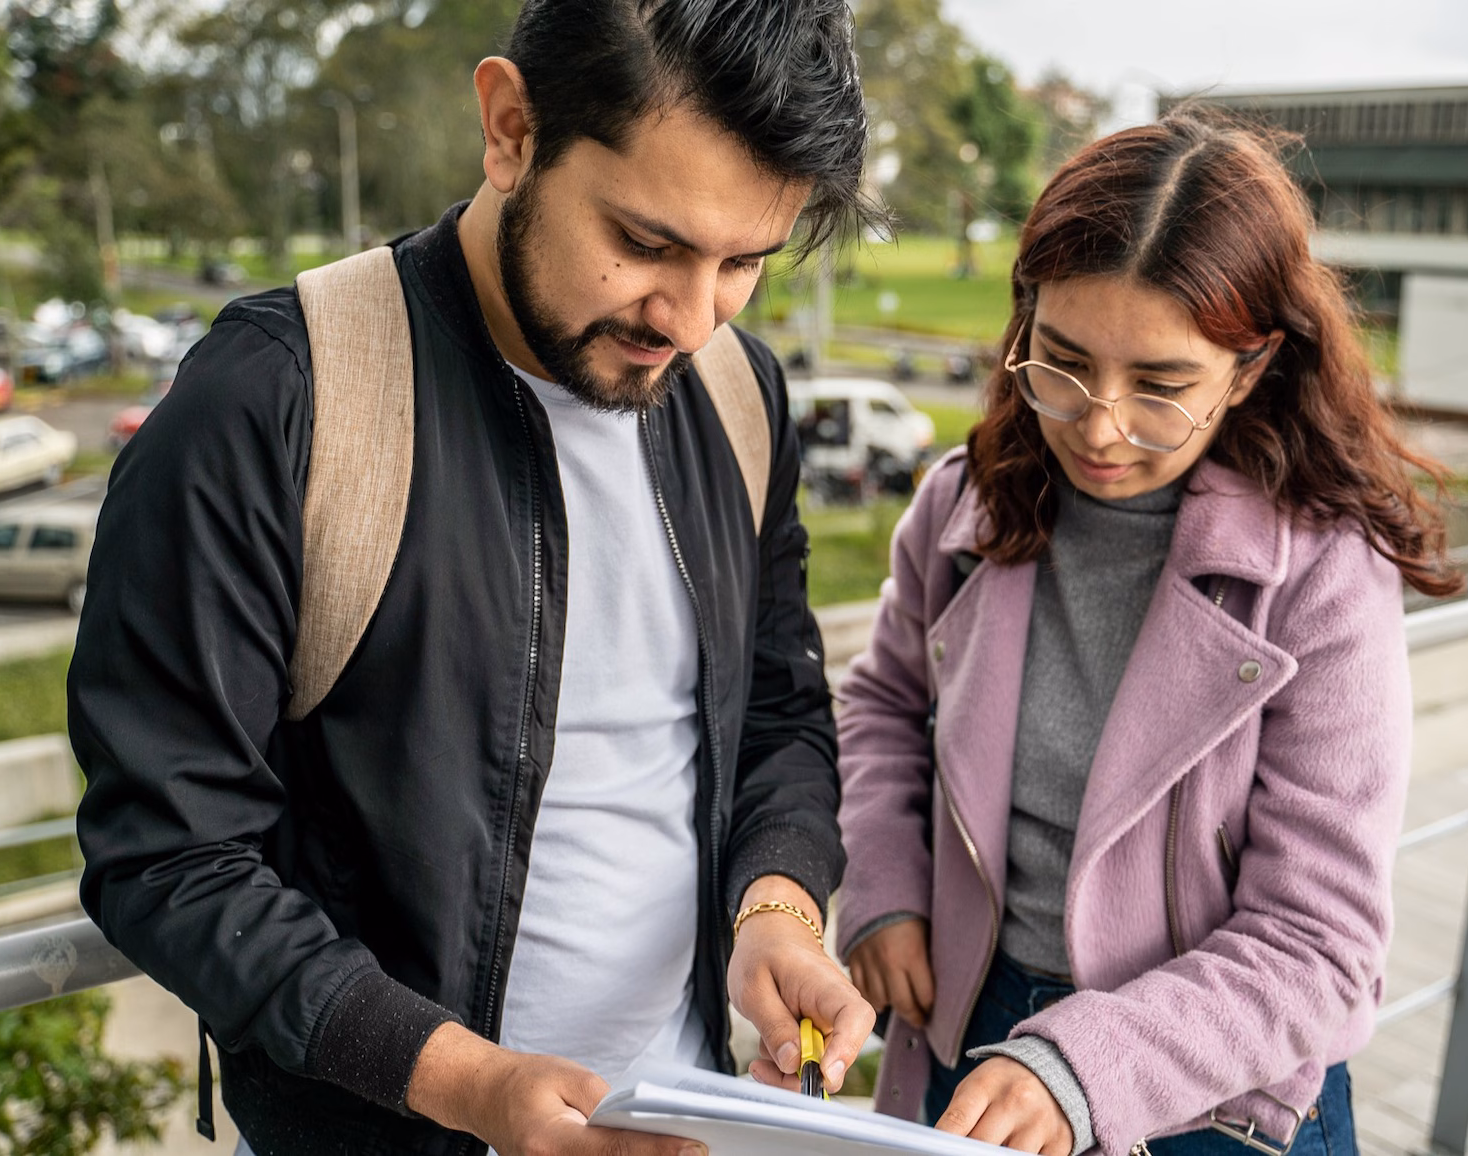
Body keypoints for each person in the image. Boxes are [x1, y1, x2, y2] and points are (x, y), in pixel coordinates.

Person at [69, 3, 879, 1154]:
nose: (690, 320)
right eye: (647, 243)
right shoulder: (267, 403)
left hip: (696, 1116)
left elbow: (781, 718)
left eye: (742, 262)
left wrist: (780, 909)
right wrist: (464, 1084)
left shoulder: (740, 398)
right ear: (509, 128)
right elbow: (170, 854)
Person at [835, 109, 1461, 1156]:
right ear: (1022, 317)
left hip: (1211, 1092)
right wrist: (884, 879)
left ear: (1249, 368)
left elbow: (1319, 945)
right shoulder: (960, 506)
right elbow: (882, 707)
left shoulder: (1322, 577)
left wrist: (1083, 1065)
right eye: (1062, 362)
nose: (1098, 425)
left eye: (1161, 387)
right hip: (961, 1033)